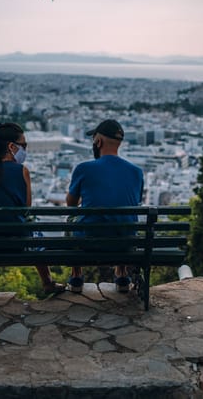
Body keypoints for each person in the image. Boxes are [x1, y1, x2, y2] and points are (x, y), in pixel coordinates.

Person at [0, 122, 65, 295]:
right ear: (11, 146)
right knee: (35, 235)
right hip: (15, 240)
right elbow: (26, 208)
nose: (25, 150)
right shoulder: (21, 171)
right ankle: (47, 281)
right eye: (24, 145)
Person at [66, 119, 144, 293]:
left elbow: (70, 205)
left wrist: (85, 198)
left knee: (71, 219)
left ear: (98, 141)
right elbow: (133, 201)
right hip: (125, 243)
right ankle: (122, 274)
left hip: (91, 241)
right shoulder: (136, 172)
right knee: (123, 217)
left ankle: (76, 276)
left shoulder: (84, 169)